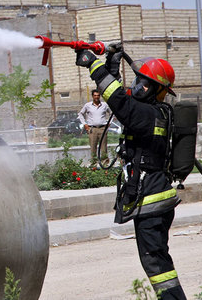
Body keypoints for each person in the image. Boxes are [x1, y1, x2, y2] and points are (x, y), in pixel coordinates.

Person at [75, 45, 187, 300]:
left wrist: (95, 66)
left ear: (155, 88)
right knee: (157, 260)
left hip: (151, 202)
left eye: (142, 82)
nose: (137, 85)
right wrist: (112, 66)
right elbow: (124, 100)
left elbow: (121, 103)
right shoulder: (155, 112)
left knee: (157, 266)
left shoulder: (146, 114)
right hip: (154, 200)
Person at [78, 89, 112, 167]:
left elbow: (111, 113)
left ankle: (105, 164)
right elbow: (80, 114)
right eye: (95, 95)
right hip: (92, 129)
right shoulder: (88, 105)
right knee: (93, 146)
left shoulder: (104, 105)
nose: (96, 97)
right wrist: (85, 124)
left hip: (102, 128)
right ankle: (93, 163)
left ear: (99, 96)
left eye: (98, 95)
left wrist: (109, 123)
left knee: (104, 147)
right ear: (92, 96)